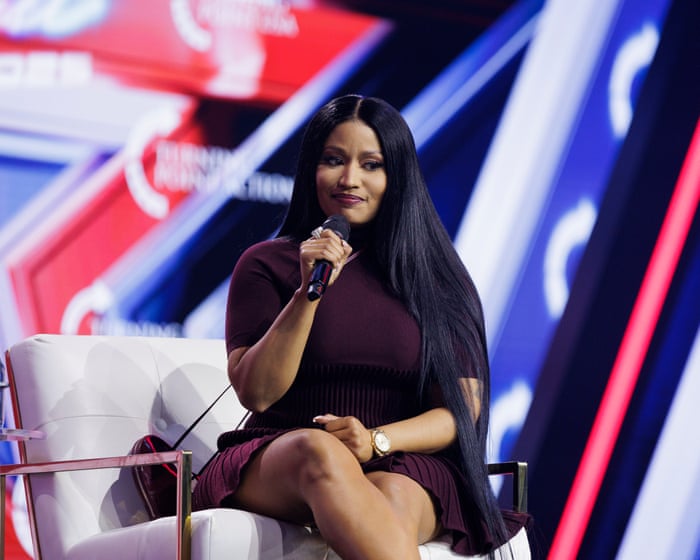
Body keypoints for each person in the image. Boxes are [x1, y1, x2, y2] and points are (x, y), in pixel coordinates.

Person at [192, 94, 529, 559]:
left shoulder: (437, 281)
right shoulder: (266, 264)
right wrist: (307, 294)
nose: (349, 179)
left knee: (392, 496)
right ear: (311, 170)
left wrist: (375, 440)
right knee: (319, 451)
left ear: (397, 177)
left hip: (402, 459)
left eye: (371, 165)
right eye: (333, 160)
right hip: (279, 454)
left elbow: (458, 411)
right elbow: (259, 393)